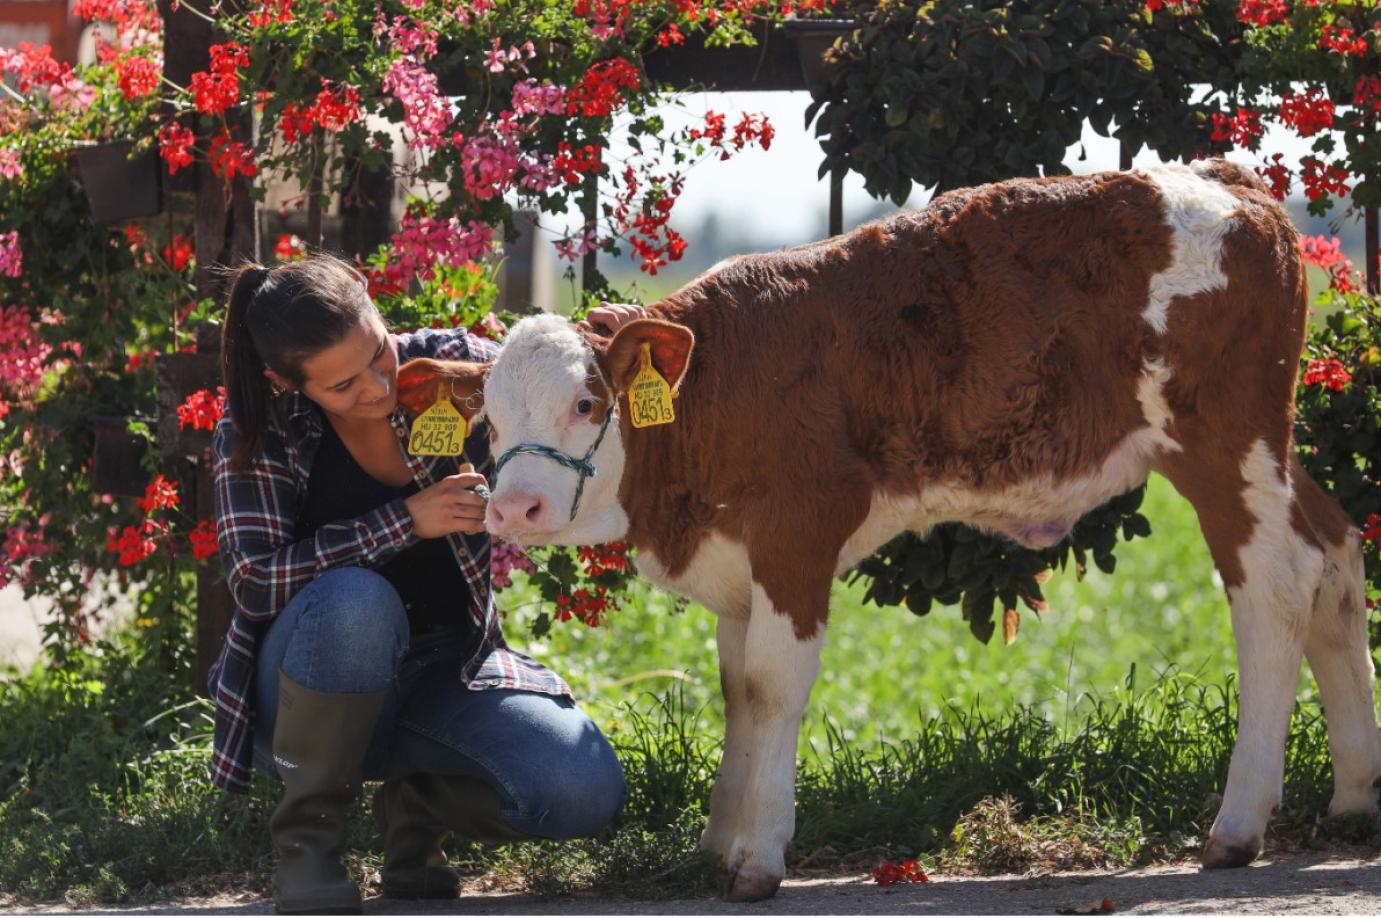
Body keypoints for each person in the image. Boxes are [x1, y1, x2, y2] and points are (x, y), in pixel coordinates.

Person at [206, 254, 643, 914]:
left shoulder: (457, 365)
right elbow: (254, 581)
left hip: (447, 668)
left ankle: (411, 807)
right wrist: (405, 521)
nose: (378, 388)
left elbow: (558, 393)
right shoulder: (260, 431)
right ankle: (308, 845)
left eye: (378, 354)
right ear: (286, 382)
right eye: (343, 386)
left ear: (377, 309)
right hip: (302, 693)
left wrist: (612, 350)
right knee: (358, 600)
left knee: (581, 791)